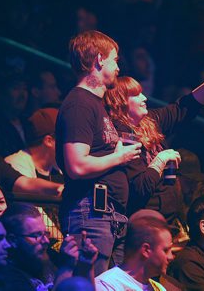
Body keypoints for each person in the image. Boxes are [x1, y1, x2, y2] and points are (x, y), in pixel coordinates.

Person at [103, 47, 204, 226]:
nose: (144, 97)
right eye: (136, 94)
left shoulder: (150, 120)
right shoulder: (121, 135)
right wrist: (161, 159)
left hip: (169, 219)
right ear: (120, 101)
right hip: (144, 223)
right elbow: (139, 188)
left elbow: (185, 107)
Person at [56, 30, 142, 275]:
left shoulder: (96, 104)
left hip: (107, 216)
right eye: (115, 59)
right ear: (99, 60)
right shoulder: (79, 104)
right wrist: (119, 157)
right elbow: (76, 166)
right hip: (91, 214)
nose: (118, 66)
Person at [3, 203, 98, 290]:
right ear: (13, 240)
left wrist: (87, 266)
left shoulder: (49, 256)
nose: (46, 241)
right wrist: (66, 268)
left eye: (45, 234)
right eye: (37, 235)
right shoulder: (7, 275)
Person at [5, 107, 63, 240]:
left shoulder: (57, 167)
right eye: (65, 136)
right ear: (49, 141)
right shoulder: (16, 164)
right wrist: (61, 245)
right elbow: (34, 213)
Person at [95, 216, 173, 291]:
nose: (171, 257)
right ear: (146, 250)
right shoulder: (106, 285)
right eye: (166, 250)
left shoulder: (159, 288)